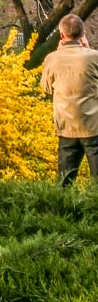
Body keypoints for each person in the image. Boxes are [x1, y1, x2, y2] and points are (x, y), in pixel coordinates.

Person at [40, 13, 98, 186]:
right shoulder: (94, 57)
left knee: (65, 183)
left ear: (61, 34)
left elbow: (46, 88)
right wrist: (88, 48)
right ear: (82, 35)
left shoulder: (51, 59)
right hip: (94, 127)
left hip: (66, 127)